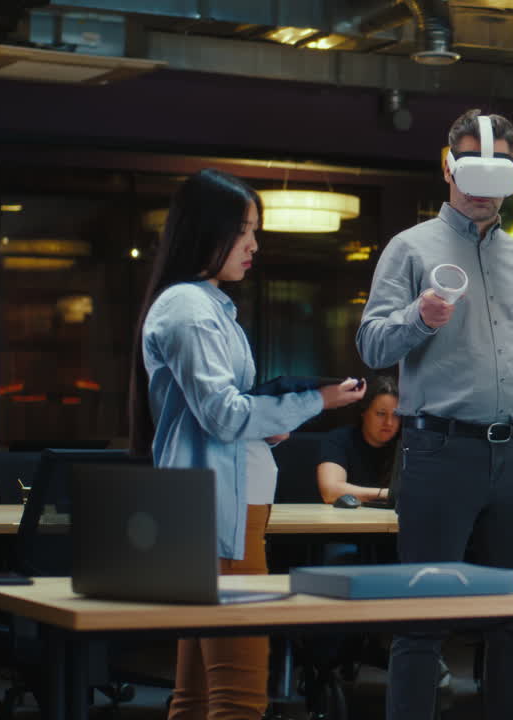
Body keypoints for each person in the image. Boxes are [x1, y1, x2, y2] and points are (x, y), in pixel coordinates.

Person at [356, 109, 513, 720]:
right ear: (449, 167)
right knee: (421, 621)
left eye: (498, 170)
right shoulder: (409, 248)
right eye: (473, 170)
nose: (483, 187)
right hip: (438, 453)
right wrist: (418, 318)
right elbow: (371, 345)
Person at [129, 168, 365, 719]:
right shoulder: (190, 310)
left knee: (198, 696)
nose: (254, 245)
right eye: (243, 231)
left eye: (255, 230)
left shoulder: (204, 305)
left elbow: (220, 416)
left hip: (218, 508)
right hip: (219, 514)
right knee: (239, 697)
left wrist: (271, 423)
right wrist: (317, 401)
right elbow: (224, 416)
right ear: (206, 231)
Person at [317, 375, 401, 505]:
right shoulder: (339, 440)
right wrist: (386, 494)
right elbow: (330, 492)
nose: (389, 422)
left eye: (396, 415)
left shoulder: (407, 445)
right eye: (381, 414)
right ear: (363, 412)